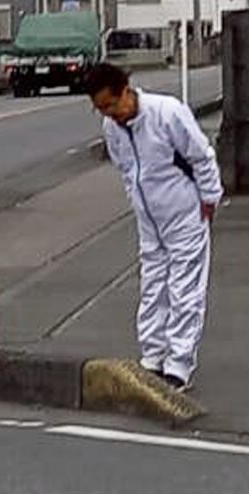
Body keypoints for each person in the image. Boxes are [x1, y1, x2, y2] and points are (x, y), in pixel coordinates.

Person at [84, 62, 223, 391]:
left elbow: (201, 156)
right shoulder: (112, 128)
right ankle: (152, 357)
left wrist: (210, 198)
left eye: (110, 104)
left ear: (126, 92)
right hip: (149, 219)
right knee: (152, 286)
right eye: (101, 109)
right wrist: (136, 202)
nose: (109, 113)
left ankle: (179, 364)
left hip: (185, 211)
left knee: (185, 289)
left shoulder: (167, 113)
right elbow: (126, 168)